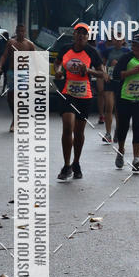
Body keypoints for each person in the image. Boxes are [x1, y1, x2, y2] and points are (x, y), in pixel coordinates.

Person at [54, 23, 104, 180]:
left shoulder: (92, 52)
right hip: (68, 93)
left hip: (84, 95)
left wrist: (88, 70)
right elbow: (57, 63)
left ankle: (76, 163)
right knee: (67, 127)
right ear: (74, 35)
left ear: (88, 37)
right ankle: (66, 165)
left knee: (79, 132)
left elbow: (102, 74)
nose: (81, 36)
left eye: (84, 33)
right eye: (78, 33)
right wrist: (58, 71)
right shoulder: (65, 49)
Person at [112, 36, 139, 171]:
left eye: (138, 45)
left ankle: (136, 159)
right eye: (133, 44)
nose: (134, 47)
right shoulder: (126, 58)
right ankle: (121, 150)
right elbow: (116, 75)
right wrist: (131, 72)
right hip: (125, 98)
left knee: (138, 127)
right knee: (123, 127)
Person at [0, 24, 35, 131]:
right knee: (10, 99)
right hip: (12, 72)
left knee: (19, 97)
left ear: (25, 32)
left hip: (24, 73)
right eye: (19, 31)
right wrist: (0, 66)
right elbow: (4, 55)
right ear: (16, 31)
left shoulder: (30, 45)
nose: (20, 33)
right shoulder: (11, 42)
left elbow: (34, 60)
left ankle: (15, 121)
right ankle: (15, 116)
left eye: (22, 31)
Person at [99, 34, 129, 143]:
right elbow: (102, 64)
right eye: (115, 39)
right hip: (110, 81)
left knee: (118, 109)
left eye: (120, 39)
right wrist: (104, 73)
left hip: (121, 83)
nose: (117, 41)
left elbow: (130, 65)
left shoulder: (127, 52)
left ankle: (117, 131)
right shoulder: (108, 51)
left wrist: (119, 65)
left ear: (123, 40)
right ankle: (108, 133)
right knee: (109, 107)